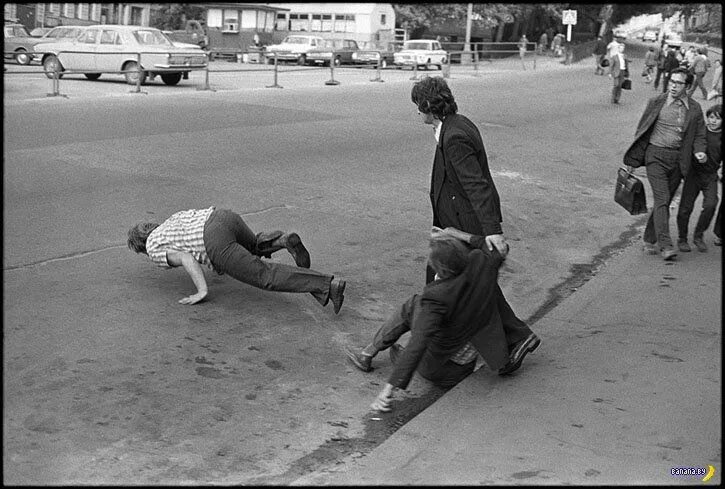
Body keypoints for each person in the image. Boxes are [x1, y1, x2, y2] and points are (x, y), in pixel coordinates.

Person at [345, 229, 540, 412]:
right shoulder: (480, 262)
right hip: (465, 364)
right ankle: (374, 353)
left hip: (440, 371)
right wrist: (454, 232)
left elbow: (418, 344)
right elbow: (495, 247)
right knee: (423, 316)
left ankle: (369, 352)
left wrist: (388, 390)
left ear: (439, 268)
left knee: (412, 305)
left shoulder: (436, 298)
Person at [127, 207, 346, 312]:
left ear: (140, 246)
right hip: (222, 216)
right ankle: (282, 241)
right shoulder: (169, 222)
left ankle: (327, 285)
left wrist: (201, 290)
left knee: (264, 275)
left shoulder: (152, 248)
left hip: (214, 241)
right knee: (250, 248)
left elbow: (186, 257)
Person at [623, 68, 708, 260]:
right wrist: (633, 160)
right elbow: (642, 130)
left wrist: (700, 151)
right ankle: (666, 245)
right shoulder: (656, 102)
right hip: (655, 156)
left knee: (665, 201)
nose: (674, 86)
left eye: (678, 83)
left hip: (678, 160)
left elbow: (700, 134)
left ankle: (648, 238)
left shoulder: (694, 109)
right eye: (672, 81)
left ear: (687, 86)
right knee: (661, 199)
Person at [676, 104, 722, 252]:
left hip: (710, 176)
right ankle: (682, 238)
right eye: (711, 117)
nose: (713, 121)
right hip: (694, 174)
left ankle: (698, 235)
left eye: (717, 118)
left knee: (711, 204)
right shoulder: (700, 131)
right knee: (685, 208)